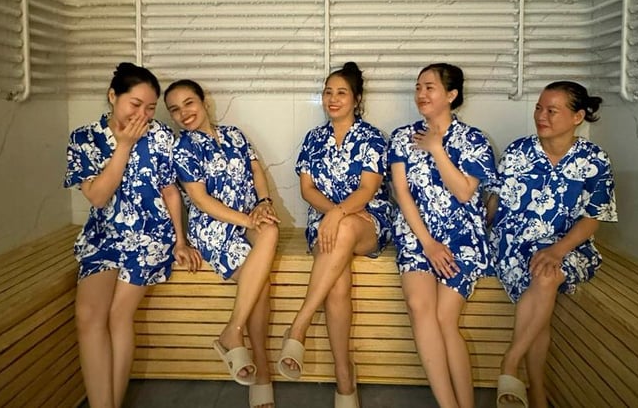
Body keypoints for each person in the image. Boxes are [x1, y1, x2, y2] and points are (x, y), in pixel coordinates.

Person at [64, 62, 202, 408]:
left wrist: (180, 241)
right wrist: (123, 145)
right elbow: (97, 196)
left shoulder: (159, 137)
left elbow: (170, 191)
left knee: (117, 315)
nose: (142, 114)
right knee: (88, 315)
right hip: (103, 235)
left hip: (149, 234)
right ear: (113, 96)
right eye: (134, 104)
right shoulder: (85, 138)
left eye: (150, 107)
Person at [487, 81, 617, 408]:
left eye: (551, 110)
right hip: (514, 244)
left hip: (568, 245)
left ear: (578, 117)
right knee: (543, 281)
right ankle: (539, 395)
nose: (541, 116)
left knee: (546, 274)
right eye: (538, 108)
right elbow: (494, 204)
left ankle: (510, 365)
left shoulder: (594, 159)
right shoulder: (519, 152)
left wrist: (558, 249)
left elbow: (593, 217)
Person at [278, 62, 393, 408]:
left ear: (356, 99)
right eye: (328, 92)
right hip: (326, 223)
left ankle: (298, 326)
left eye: (341, 92)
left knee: (342, 228)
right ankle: (345, 381)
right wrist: (331, 214)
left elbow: (368, 188)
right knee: (337, 282)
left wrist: (338, 213)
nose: (332, 98)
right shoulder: (314, 139)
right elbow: (306, 188)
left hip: (367, 221)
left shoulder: (371, 136)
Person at [164, 79, 279, 408]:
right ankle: (263, 372)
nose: (183, 113)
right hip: (213, 227)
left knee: (270, 230)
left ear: (204, 102)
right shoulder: (183, 148)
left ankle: (232, 331)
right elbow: (200, 200)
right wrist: (247, 220)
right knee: (259, 283)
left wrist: (264, 202)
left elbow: (256, 171)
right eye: (175, 109)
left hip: (248, 217)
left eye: (189, 103)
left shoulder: (235, 135)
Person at [388, 63, 498, 408]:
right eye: (419, 87)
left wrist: (437, 147)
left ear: (451, 95)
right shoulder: (402, 137)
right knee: (419, 306)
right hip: (417, 235)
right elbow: (402, 193)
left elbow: (466, 193)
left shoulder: (474, 140)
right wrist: (427, 242)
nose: (421, 94)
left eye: (430, 87)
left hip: (462, 236)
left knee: (444, 318)